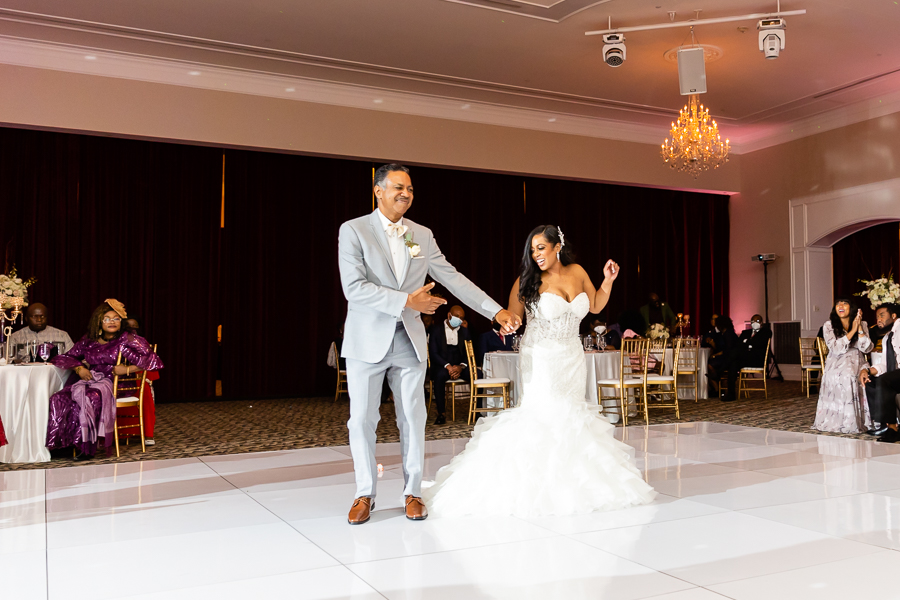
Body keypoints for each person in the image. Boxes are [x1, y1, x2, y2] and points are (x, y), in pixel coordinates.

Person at [423, 225, 656, 518]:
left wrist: (608, 280)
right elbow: (512, 317)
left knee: (571, 414)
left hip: (572, 354)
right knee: (544, 414)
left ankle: (573, 483)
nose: (536, 255)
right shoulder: (528, 281)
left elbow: (595, 303)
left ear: (557, 246)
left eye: (540, 248)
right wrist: (509, 323)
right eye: (532, 250)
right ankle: (538, 485)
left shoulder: (579, 272)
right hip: (541, 355)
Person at [337, 163, 521, 525]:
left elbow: (452, 277)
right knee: (361, 419)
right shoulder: (354, 230)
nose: (406, 194)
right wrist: (406, 301)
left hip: (409, 342)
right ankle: (364, 493)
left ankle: (412, 492)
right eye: (398, 188)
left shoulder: (419, 235)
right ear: (378, 190)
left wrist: (495, 309)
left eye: (410, 189)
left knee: (413, 418)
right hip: (365, 341)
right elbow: (353, 288)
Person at [48, 299, 163, 459]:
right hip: (90, 382)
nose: (112, 322)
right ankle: (62, 445)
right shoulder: (89, 340)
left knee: (88, 398)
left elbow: (153, 359)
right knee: (58, 398)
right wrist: (79, 368)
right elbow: (65, 357)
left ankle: (85, 446)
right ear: (99, 321)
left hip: (117, 386)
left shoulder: (127, 339)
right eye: (107, 318)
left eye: (116, 318)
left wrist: (128, 369)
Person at [813, 299, 873, 433]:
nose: (840, 306)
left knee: (858, 374)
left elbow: (867, 348)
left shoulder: (862, 323)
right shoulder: (828, 325)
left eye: (844, 303)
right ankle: (842, 422)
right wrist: (852, 330)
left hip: (857, 361)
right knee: (846, 375)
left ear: (852, 307)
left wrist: (859, 328)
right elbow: (835, 348)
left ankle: (860, 421)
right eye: (838, 304)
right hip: (836, 363)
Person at [859, 303, 900, 438]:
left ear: (893, 316)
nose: (879, 320)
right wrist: (867, 371)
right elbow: (884, 363)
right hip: (896, 375)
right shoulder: (887, 337)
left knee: (885, 380)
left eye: (882, 315)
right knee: (871, 382)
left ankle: (893, 429)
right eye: (877, 317)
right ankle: (883, 424)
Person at [119, 314, 160, 446]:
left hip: (139, 380)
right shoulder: (115, 343)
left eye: (135, 327)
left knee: (145, 391)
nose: (132, 330)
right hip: (117, 379)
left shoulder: (142, 344)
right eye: (128, 327)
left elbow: (150, 368)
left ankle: (147, 433)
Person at [429, 306, 472, 425]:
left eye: (461, 318)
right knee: (439, 376)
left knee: (478, 374)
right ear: (449, 315)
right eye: (456, 316)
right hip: (442, 365)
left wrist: (461, 367)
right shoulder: (436, 330)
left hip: (459, 366)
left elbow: (469, 353)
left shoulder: (465, 331)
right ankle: (441, 413)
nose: (459, 319)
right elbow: (433, 353)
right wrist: (448, 366)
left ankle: (476, 411)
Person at [721, 314, 772, 402]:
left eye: (757, 321)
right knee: (733, 365)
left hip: (756, 359)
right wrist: (748, 343)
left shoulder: (765, 332)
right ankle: (731, 394)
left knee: (734, 354)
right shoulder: (746, 333)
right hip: (744, 359)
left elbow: (759, 343)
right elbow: (739, 344)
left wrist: (747, 342)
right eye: (753, 322)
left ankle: (720, 370)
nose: (755, 323)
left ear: (762, 323)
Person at [9, 303, 74, 363]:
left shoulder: (62, 335)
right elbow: (9, 361)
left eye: (42, 317)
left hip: (55, 374)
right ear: (26, 318)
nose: (39, 320)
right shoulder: (16, 337)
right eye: (34, 317)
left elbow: (73, 359)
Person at [705, 315, 739, 397]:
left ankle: (718, 375)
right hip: (728, 356)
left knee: (710, 364)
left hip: (731, 358)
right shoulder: (726, 333)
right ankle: (717, 381)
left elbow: (727, 350)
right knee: (711, 363)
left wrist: (715, 355)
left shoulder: (728, 334)